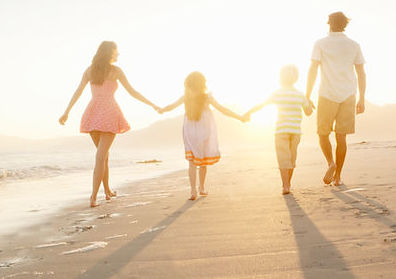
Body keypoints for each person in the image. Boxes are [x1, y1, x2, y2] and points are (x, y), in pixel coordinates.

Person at [59, 41, 160, 207]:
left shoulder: (90, 70)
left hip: (92, 113)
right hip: (108, 113)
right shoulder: (115, 71)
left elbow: (78, 91)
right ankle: (93, 196)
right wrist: (153, 105)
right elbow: (133, 92)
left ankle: (107, 191)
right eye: (116, 51)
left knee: (103, 155)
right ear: (110, 53)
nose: (118, 54)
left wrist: (67, 112)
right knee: (101, 156)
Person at [158, 71, 247, 200]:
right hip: (204, 131)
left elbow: (170, 106)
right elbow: (223, 109)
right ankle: (202, 187)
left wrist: (161, 109)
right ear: (203, 83)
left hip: (190, 132)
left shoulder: (185, 97)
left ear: (187, 84)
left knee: (192, 162)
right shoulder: (207, 97)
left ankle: (193, 190)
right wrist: (240, 117)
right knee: (202, 162)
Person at [305, 11, 367, 186]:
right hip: (348, 95)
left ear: (328, 24)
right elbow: (361, 73)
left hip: (326, 94)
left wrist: (307, 95)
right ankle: (338, 176)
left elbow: (313, 70)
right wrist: (361, 98)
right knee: (341, 138)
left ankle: (330, 163)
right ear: (345, 25)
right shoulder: (354, 45)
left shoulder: (320, 44)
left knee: (322, 134)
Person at [244, 64, 313, 195]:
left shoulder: (278, 93)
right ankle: (287, 184)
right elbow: (308, 112)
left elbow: (262, 105)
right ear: (296, 78)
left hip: (282, 130)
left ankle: (285, 185)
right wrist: (309, 103)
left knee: (284, 159)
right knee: (291, 159)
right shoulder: (299, 94)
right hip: (295, 131)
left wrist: (249, 112)